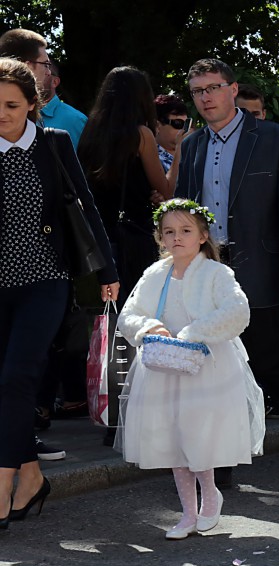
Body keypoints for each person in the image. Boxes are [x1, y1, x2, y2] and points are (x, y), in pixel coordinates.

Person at [175, 58, 279, 479]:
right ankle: (218, 461)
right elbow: (183, 212)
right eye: (198, 91)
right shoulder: (193, 145)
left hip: (259, 268)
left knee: (267, 359)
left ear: (233, 89)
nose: (206, 97)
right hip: (208, 270)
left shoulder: (274, 139)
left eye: (213, 88)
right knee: (210, 364)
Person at [0, 58, 119, 529]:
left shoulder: (53, 144)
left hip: (45, 283)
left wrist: (107, 269)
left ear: (33, 104)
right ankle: (31, 476)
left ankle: (3, 487)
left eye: (11, 105)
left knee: (15, 378)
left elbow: (86, 207)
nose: (2, 114)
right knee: (4, 385)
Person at [117, 200, 263, 539]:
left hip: (206, 368)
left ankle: (210, 495)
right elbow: (129, 314)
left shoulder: (216, 273)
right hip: (164, 368)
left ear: (202, 236)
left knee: (198, 434)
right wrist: (148, 326)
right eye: (169, 232)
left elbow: (237, 310)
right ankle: (187, 510)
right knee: (172, 437)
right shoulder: (154, 275)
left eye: (185, 231)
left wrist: (193, 333)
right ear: (160, 238)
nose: (177, 238)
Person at [78, 66, 181, 303]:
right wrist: (179, 153)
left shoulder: (90, 132)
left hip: (98, 238)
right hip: (134, 236)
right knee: (139, 312)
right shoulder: (141, 134)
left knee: (106, 316)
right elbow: (166, 190)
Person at [0, 30, 87, 148]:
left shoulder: (75, 121)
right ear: (26, 66)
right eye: (45, 64)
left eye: (12, 105)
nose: (49, 72)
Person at [155, 94, 189, 172]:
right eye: (178, 123)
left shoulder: (191, 154)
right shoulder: (151, 158)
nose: (184, 129)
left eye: (187, 124)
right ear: (157, 126)